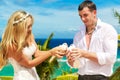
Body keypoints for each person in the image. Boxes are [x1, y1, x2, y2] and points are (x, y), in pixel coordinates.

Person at [0, 10, 66, 80]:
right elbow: (28, 64)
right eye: (28, 26)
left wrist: (55, 51)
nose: (31, 29)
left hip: (33, 76)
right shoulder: (11, 45)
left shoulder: (29, 35)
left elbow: (37, 54)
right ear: (20, 27)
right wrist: (50, 52)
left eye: (31, 25)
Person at [66, 0, 118, 80]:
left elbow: (111, 58)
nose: (82, 19)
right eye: (80, 16)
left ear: (94, 12)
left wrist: (85, 54)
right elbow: (78, 64)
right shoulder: (78, 35)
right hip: (81, 77)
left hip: (101, 78)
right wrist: (71, 61)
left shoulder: (108, 30)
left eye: (85, 15)